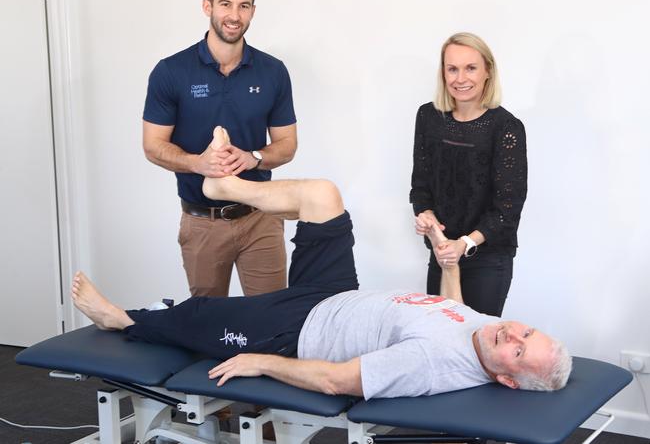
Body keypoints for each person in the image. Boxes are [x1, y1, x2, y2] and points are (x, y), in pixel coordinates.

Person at [73, 128, 570, 400]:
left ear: (506, 379)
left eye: (521, 353)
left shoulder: (433, 366)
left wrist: (264, 362)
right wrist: (450, 260)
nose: (515, 337)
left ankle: (119, 318)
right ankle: (222, 186)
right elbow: (454, 310)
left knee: (198, 314)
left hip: (295, 331)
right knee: (322, 196)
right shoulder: (491, 330)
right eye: (528, 333)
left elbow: (339, 381)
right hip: (335, 295)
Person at [142, 0, 297, 298]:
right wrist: (199, 163)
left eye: (243, 6)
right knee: (209, 329)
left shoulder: (273, 72)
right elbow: (153, 145)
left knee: (271, 323)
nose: (234, 15)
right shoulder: (171, 72)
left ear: (253, 11)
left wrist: (254, 157)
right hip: (202, 222)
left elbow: (287, 145)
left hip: (261, 217)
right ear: (207, 6)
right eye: (225, 4)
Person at [410, 32, 528, 317]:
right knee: (438, 339)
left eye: (470, 68)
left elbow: (506, 210)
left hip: (487, 258)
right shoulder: (428, 117)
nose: (460, 78)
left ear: (487, 71)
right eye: (452, 68)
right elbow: (420, 186)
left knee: (477, 348)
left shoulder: (506, 128)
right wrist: (426, 214)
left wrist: (464, 243)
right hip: (442, 253)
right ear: (443, 73)